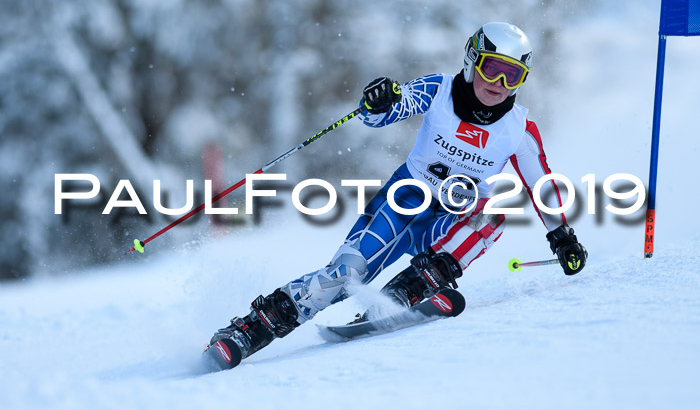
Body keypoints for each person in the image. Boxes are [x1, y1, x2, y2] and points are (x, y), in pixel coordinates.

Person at [209, 21, 588, 362]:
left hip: (454, 220)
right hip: (404, 200)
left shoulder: (520, 128)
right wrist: (379, 101)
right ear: (473, 59)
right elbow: (386, 111)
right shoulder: (439, 90)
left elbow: (542, 184)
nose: (500, 84)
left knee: (491, 217)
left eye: (514, 75)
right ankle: (249, 330)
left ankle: (404, 294)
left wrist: (561, 235)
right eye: (493, 69)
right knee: (346, 274)